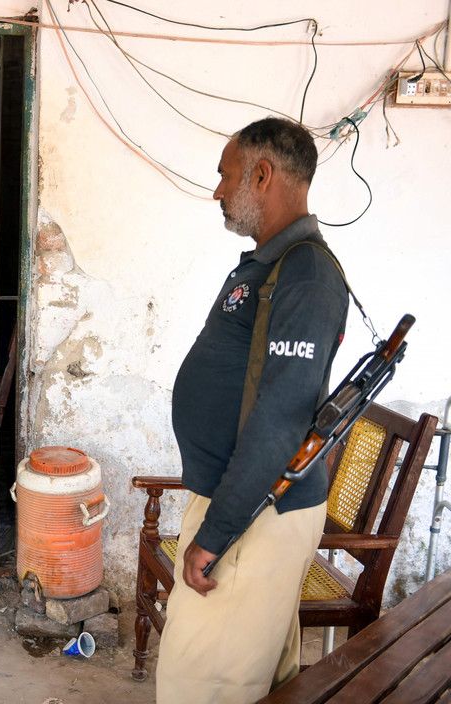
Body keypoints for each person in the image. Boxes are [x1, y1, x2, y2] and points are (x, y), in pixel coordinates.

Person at [157, 118, 349, 703]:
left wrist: (216, 534)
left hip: (256, 513)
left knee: (200, 684)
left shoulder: (306, 274)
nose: (218, 190)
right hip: (244, 504)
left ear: (262, 175)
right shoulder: (272, 263)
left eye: (227, 175)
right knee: (260, 682)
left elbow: (282, 419)